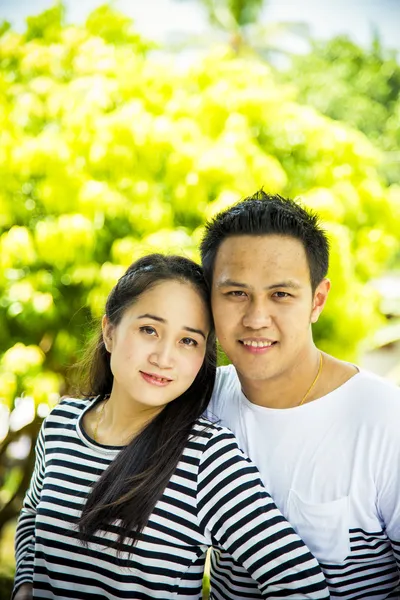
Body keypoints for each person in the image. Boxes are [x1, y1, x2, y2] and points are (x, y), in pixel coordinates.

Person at [13, 253, 329, 600]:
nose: (164, 358)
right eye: (149, 330)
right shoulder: (60, 423)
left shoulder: (206, 458)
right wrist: (25, 586)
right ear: (110, 331)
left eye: (187, 341)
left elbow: (299, 585)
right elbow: (31, 514)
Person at [200, 190, 400, 599]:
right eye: (236, 293)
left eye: (281, 295)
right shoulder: (196, 401)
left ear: (317, 300)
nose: (256, 318)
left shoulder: (384, 421)